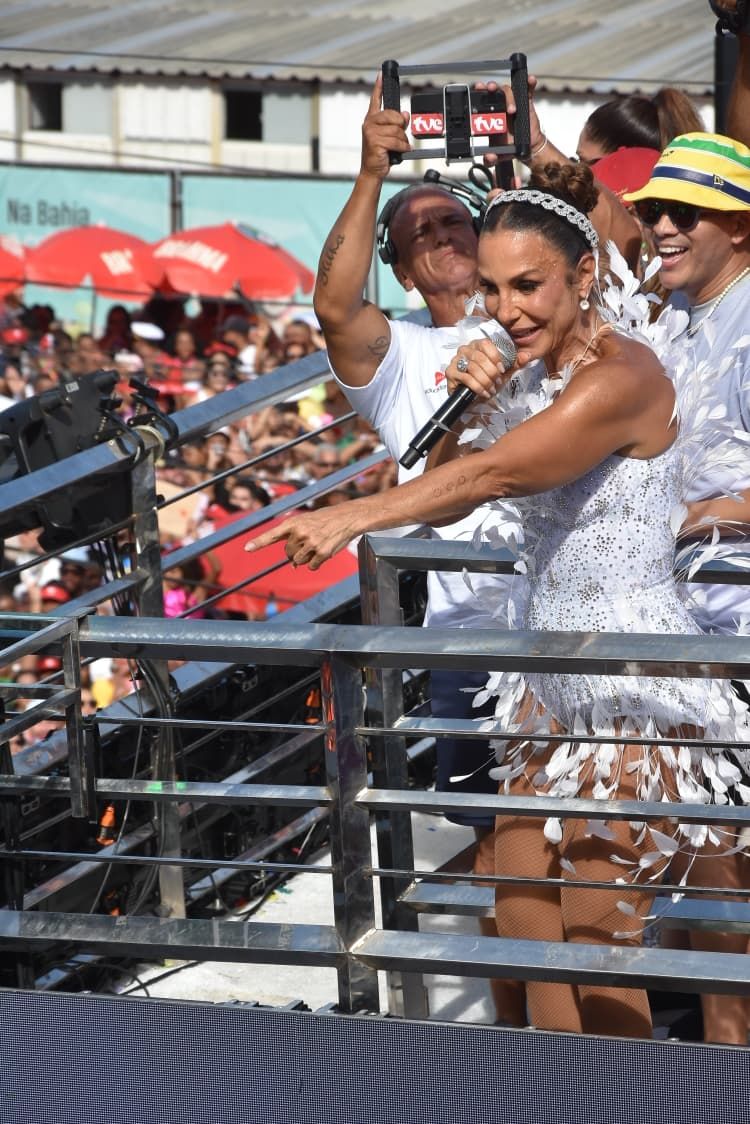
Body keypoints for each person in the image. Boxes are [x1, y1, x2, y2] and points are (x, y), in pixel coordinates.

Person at [249, 161, 750, 1043]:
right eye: (490, 288)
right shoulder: (520, 370)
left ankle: (642, 1096)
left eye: (528, 286)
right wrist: (460, 402)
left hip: (638, 687)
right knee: (523, 916)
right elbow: (449, 484)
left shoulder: (622, 374)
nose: (506, 308)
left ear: (584, 276)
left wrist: (354, 516)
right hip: (547, 681)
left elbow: (505, 472)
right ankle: (569, 1090)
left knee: (602, 932)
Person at [310, 74, 527, 1026]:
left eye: (456, 223)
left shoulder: (540, 313)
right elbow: (330, 299)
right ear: (400, 269)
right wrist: (371, 171)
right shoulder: (394, 354)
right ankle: (525, 1029)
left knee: (595, 834)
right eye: (420, 234)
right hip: (472, 631)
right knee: (494, 846)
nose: (442, 238)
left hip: (567, 605)